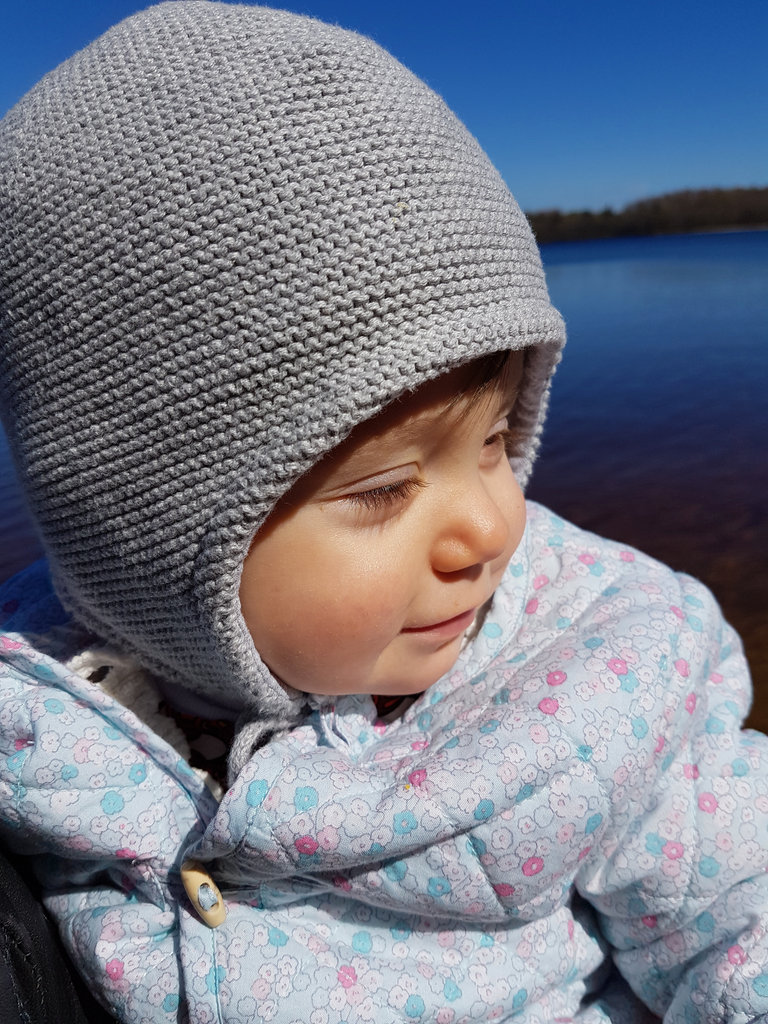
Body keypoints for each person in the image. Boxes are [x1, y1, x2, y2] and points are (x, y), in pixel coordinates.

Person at [0, 4, 766, 1022]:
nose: (491, 528)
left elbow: (739, 916)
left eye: (497, 441)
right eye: (384, 491)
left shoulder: (599, 680)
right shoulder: (43, 721)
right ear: (140, 540)